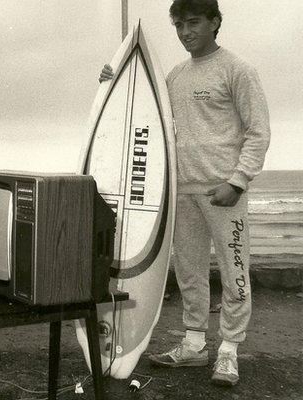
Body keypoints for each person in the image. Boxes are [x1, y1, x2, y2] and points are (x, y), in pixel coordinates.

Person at [98, 0, 270, 387]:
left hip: (224, 191)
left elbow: (258, 131)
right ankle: (194, 345)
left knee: (234, 272)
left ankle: (228, 350)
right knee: (189, 271)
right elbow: (142, 108)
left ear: (214, 22)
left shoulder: (237, 70)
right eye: (178, 25)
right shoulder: (174, 75)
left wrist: (238, 181)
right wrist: (112, 80)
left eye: (193, 23)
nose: (185, 32)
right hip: (180, 192)